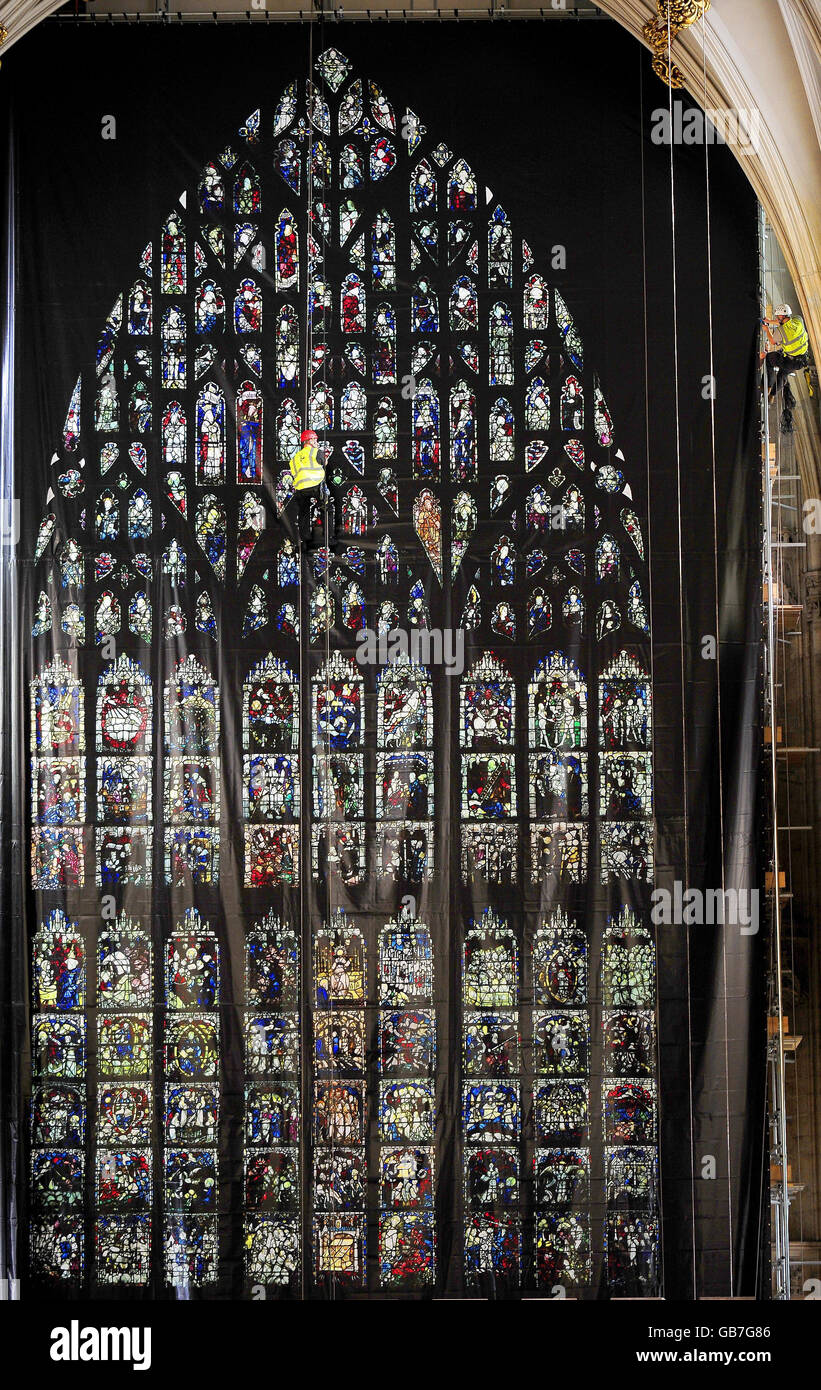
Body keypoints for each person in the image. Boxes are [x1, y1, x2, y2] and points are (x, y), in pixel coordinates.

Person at [288, 428, 328, 550]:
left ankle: (304, 540)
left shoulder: (295, 457)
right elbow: (324, 463)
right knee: (327, 508)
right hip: (315, 486)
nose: (316, 442)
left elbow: (294, 473)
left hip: (301, 489)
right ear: (309, 440)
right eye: (315, 439)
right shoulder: (316, 452)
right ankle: (327, 534)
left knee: (303, 513)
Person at [761, 303, 809, 400]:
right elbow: (784, 323)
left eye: (778, 316)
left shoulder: (781, 331)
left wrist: (766, 329)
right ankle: (772, 396)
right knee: (783, 374)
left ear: (782, 316)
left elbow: (773, 341)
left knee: (769, 359)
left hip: (789, 360)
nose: (777, 318)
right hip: (801, 360)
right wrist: (770, 321)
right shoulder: (798, 320)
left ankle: (767, 386)